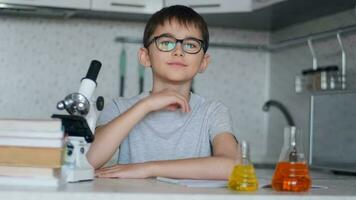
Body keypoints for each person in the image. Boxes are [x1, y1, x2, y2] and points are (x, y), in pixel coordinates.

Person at [87, 5, 241, 180]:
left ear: (203, 62)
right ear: (145, 57)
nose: (178, 51)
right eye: (166, 42)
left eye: (190, 45)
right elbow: (88, 161)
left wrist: (149, 169)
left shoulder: (212, 111)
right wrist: (146, 105)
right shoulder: (119, 108)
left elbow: (233, 167)